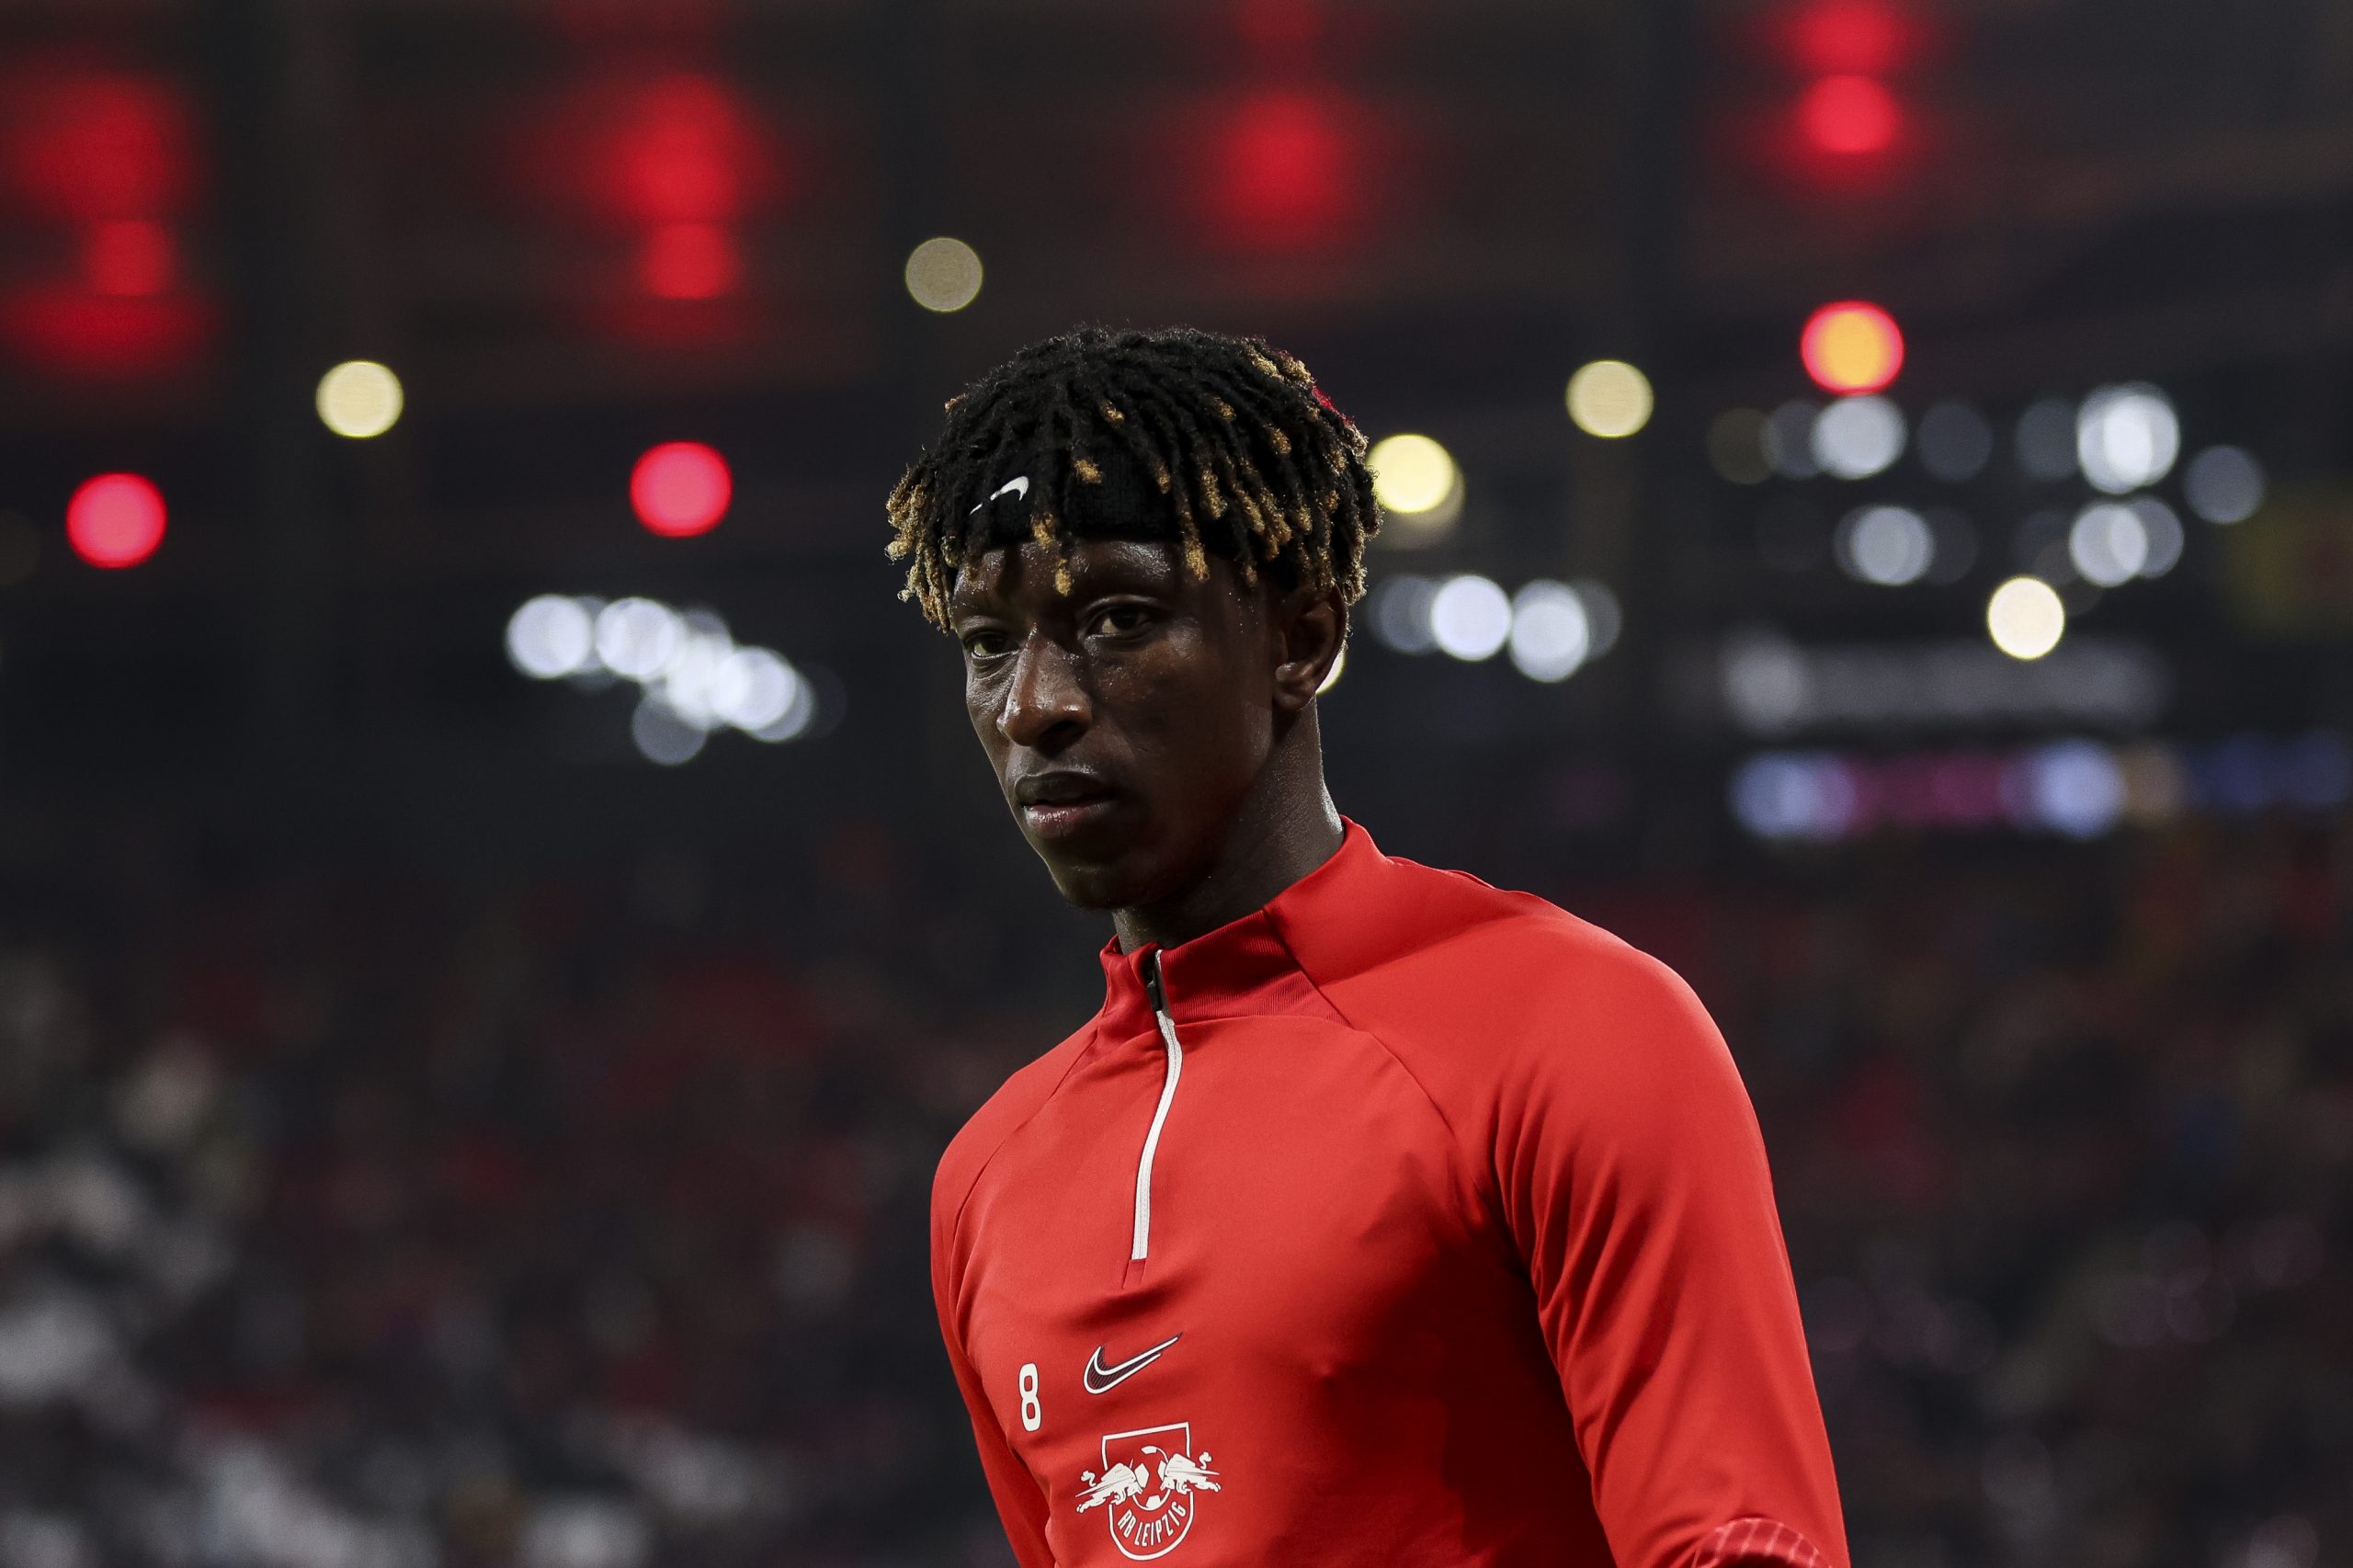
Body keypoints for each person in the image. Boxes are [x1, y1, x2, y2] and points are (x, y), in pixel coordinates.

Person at [892, 325, 1847, 1567]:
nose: (1036, 702)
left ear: (1301, 639)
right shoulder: (983, 1184)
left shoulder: (1576, 1028)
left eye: (1119, 618)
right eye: (986, 642)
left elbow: (1742, 1545)